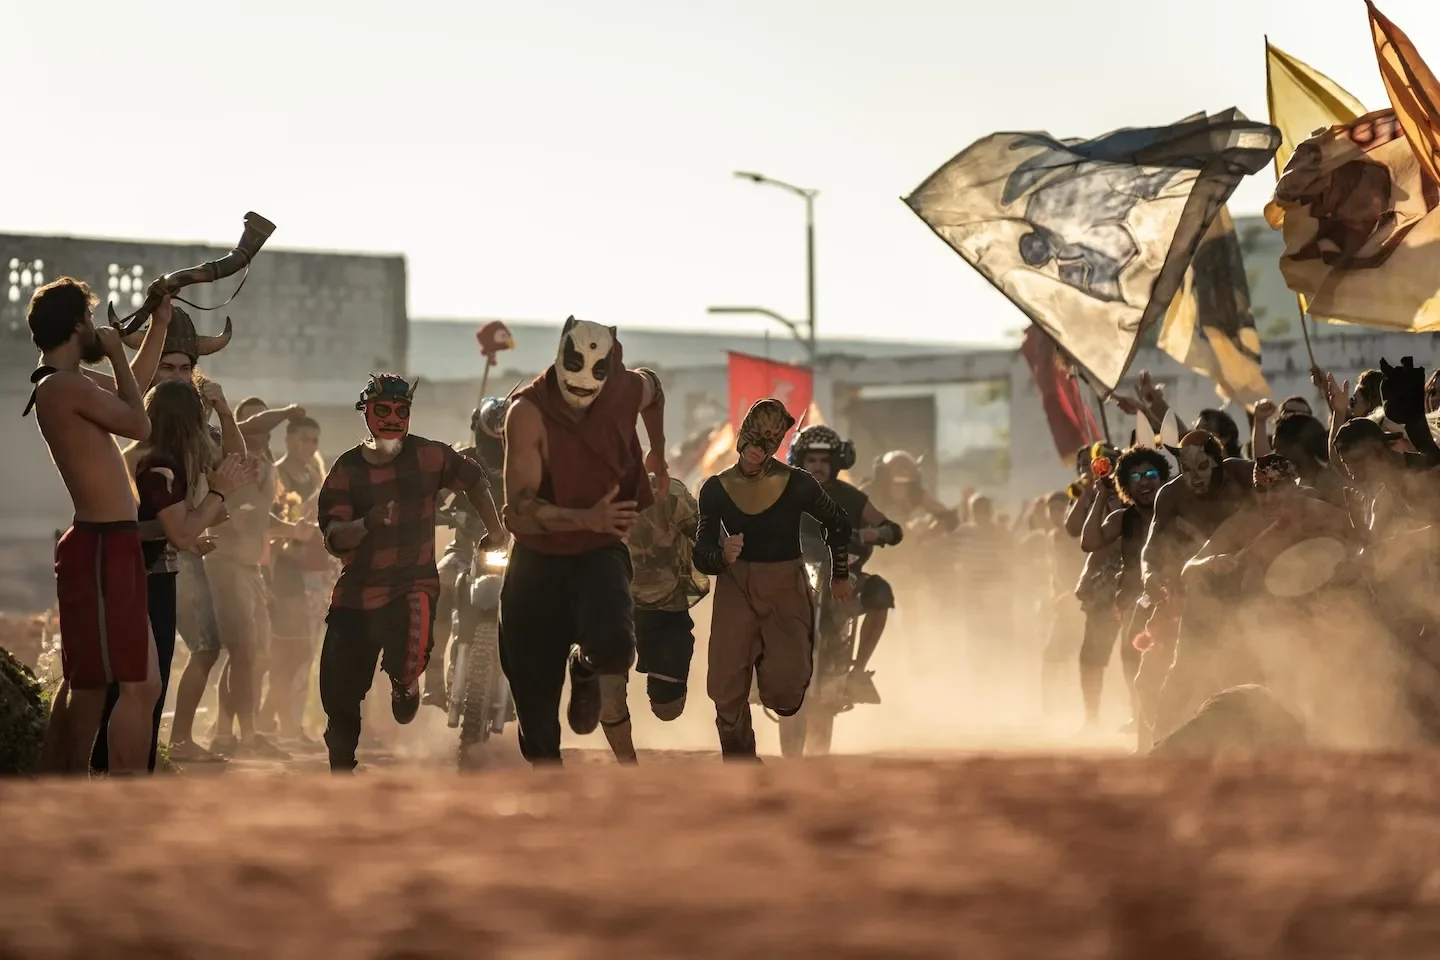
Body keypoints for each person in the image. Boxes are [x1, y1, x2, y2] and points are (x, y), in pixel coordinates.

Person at [500, 318, 667, 765]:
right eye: (573, 379)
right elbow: (519, 509)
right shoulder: (527, 413)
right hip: (536, 559)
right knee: (536, 719)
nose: (582, 392)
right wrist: (585, 517)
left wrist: (660, 453)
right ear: (558, 361)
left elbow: (655, 389)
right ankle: (551, 811)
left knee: (616, 646)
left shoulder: (624, 388)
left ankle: (586, 667)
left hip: (599, 551)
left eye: (595, 381)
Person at [318, 373, 502, 773]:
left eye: (401, 412)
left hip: (411, 586)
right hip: (357, 595)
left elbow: (474, 480)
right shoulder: (346, 470)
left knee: (417, 623)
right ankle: (339, 777)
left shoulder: (431, 456)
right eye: (381, 410)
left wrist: (497, 530)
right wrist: (367, 523)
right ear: (365, 412)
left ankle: (409, 682)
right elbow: (333, 538)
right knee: (339, 698)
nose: (391, 419)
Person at [23, 278, 169, 774]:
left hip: (107, 541)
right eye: (90, 317)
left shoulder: (63, 382)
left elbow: (137, 394)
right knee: (111, 686)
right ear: (79, 325)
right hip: (105, 542)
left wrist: (160, 326)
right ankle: (87, 796)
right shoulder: (62, 385)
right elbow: (140, 424)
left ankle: (55, 790)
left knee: (87, 686)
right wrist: (113, 355)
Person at [91, 381, 255, 773]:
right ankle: (115, 771)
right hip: (137, 581)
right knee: (137, 684)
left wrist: (226, 415)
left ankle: (128, 769)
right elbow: (180, 530)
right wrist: (216, 496)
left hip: (150, 575)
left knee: (146, 681)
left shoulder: (166, 461)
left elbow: (166, 527)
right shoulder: (158, 464)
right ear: (188, 425)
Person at [693, 399, 852, 761]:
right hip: (737, 585)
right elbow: (701, 553)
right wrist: (722, 556)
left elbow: (838, 522)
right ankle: (740, 758)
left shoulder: (797, 484)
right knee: (725, 684)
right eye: (751, 440)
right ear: (741, 437)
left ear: (777, 443)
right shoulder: (714, 490)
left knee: (786, 691)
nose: (756, 450)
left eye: (767, 441)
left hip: (785, 584)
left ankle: (778, 691)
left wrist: (839, 575)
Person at [598, 474, 711, 763]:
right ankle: (628, 766)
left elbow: (705, 537)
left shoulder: (671, 495)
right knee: (607, 696)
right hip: (611, 609)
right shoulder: (586, 496)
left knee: (667, 707)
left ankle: (652, 688)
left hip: (667, 609)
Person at [789, 425, 902, 697]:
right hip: (791, 577)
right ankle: (758, 665)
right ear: (800, 461)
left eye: (824, 461)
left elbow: (891, 528)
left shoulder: (853, 497)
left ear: (837, 463)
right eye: (811, 460)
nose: (818, 467)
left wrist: (876, 531)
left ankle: (858, 671)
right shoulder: (782, 492)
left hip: (844, 579)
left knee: (880, 592)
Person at [1078, 446, 1170, 741]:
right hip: (1134, 603)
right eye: (1136, 476)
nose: (1145, 482)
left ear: (1163, 478)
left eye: (1152, 474)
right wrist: (1102, 495)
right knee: (1133, 663)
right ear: (1126, 485)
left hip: (1172, 598)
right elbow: (1089, 541)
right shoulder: (1123, 518)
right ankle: (1143, 725)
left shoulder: (1175, 510)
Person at [425, 396, 509, 708]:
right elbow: (435, 495)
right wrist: (433, 509)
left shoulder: (529, 461)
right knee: (442, 581)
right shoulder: (462, 462)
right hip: (465, 549)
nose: (497, 452)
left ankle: (536, 688)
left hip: (519, 554)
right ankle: (433, 678)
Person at [262, 415, 331, 746]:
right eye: (304, 439)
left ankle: (290, 722)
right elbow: (273, 526)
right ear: (288, 439)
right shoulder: (276, 474)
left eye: (314, 441)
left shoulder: (315, 474)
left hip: (315, 569)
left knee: (306, 652)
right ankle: (272, 719)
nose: (309, 446)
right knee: (289, 650)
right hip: (286, 569)